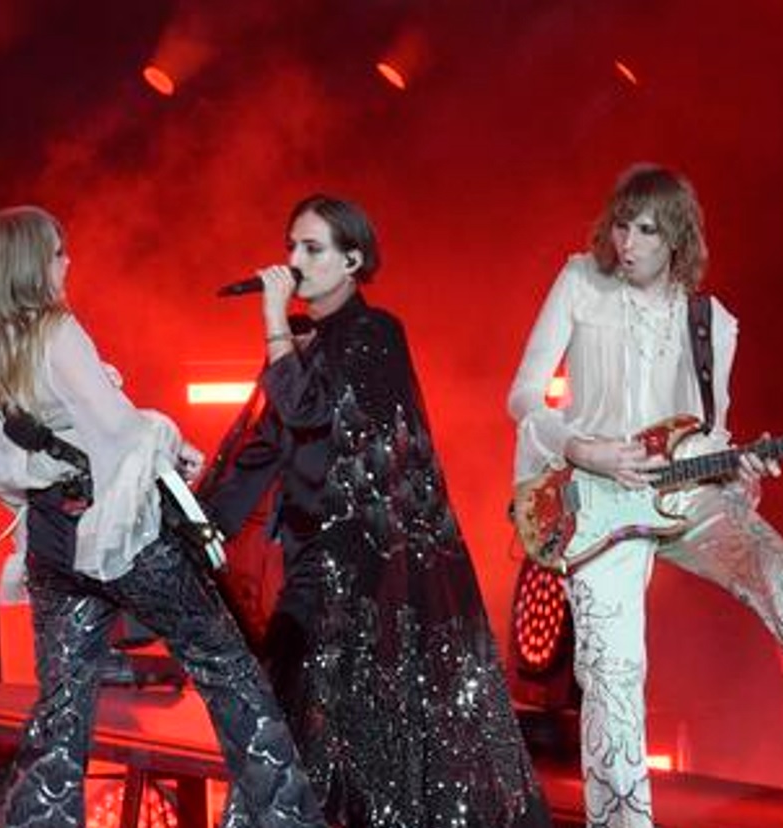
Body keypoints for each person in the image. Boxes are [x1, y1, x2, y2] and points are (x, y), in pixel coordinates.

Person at [506, 164, 783, 828]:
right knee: (615, 667)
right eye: (621, 224)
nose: (628, 241)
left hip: (684, 496)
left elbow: (707, 433)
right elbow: (524, 394)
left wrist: (738, 472)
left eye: (646, 229)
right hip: (597, 494)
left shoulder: (712, 323)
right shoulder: (581, 281)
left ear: (676, 238)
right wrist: (585, 449)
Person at [0, 205, 322, 828]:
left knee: (63, 706)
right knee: (226, 666)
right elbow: (121, 433)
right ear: (27, 266)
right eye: (56, 252)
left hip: (50, 539)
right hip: (116, 537)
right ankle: (283, 819)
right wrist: (168, 438)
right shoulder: (55, 331)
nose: (67, 263)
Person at [201, 194, 548, 828]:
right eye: (291, 246)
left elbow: (311, 410)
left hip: (365, 576)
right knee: (282, 731)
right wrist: (198, 526)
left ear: (352, 261)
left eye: (312, 249)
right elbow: (265, 448)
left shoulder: (375, 334)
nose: (294, 262)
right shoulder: (300, 347)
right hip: (311, 568)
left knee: (358, 750)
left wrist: (275, 324)